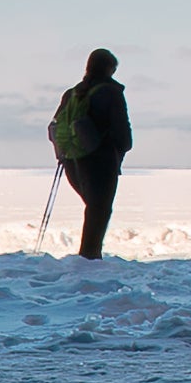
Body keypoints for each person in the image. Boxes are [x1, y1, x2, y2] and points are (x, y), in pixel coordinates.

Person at [47, 47, 132, 258]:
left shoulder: (71, 94)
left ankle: (89, 257)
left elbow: (57, 125)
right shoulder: (111, 92)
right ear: (109, 69)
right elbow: (122, 132)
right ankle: (90, 258)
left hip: (72, 160)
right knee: (100, 209)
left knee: (94, 208)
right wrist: (121, 149)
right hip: (101, 160)